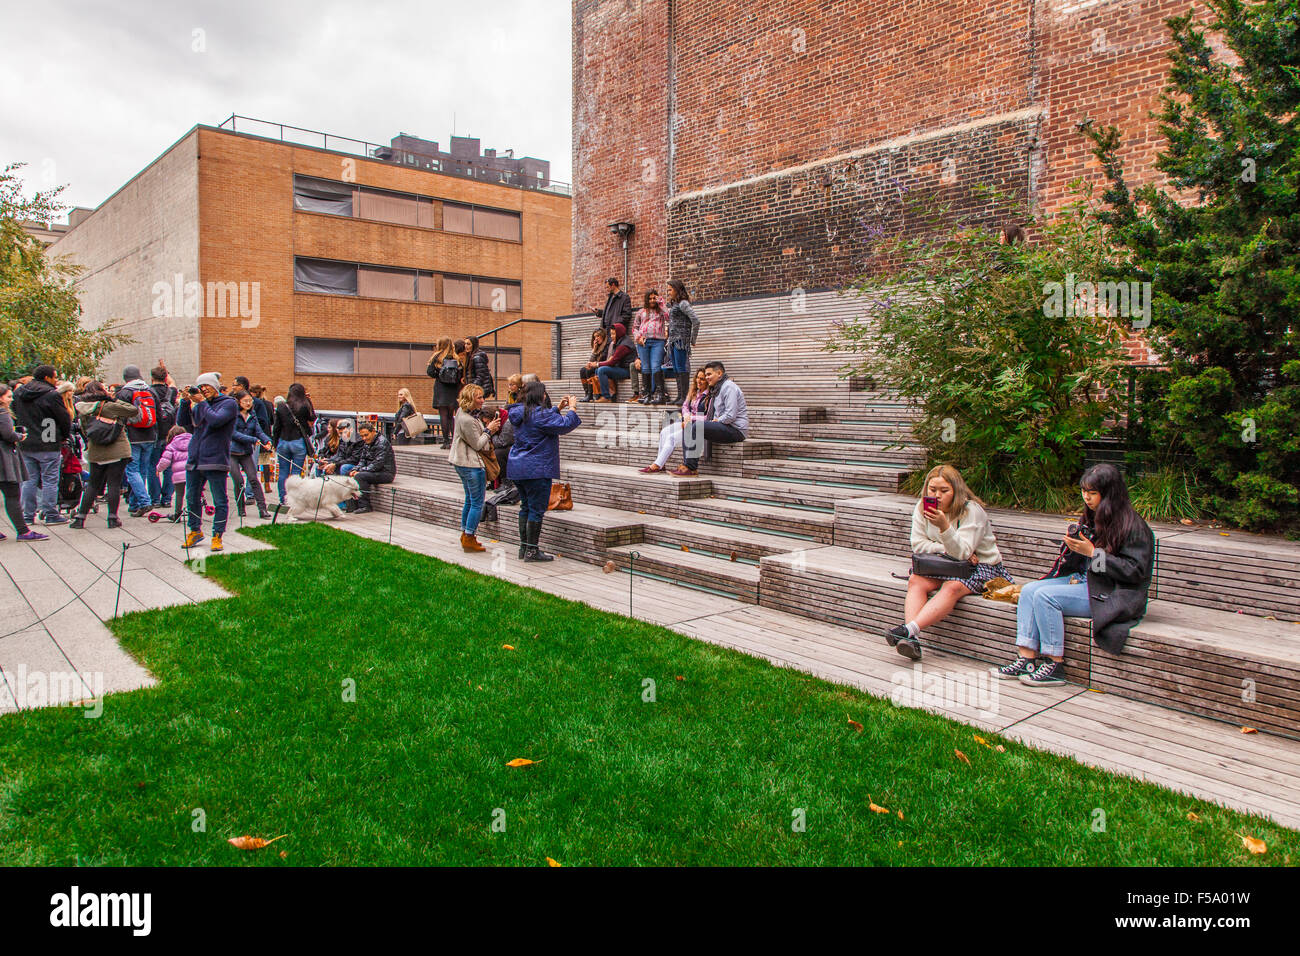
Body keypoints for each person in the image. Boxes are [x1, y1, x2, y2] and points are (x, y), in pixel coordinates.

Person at [991, 463, 1155, 687]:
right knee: (1029, 590)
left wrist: (1092, 553)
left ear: (1109, 494)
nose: (1086, 498)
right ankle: (1026, 659)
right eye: (1084, 491)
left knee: (1045, 597)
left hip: (1113, 593)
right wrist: (1074, 547)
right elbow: (1081, 562)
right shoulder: (1093, 517)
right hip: (1086, 580)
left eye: (1093, 493)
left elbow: (1135, 572)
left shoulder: (1134, 526)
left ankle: (1054, 664)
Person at [885, 465, 1012, 661]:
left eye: (944, 491)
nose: (937, 496)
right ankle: (913, 640)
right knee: (916, 581)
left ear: (956, 491)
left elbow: (962, 553)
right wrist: (943, 548)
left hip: (982, 567)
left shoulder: (971, 511)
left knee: (952, 587)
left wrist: (944, 527)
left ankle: (908, 629)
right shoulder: (922, 508)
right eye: (932, 489)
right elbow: (918, 545)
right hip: (944, 562)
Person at [507, 381, 581, 562]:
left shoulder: (519, 412)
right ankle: (532, 551)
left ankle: (524, 548)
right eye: (544, 393)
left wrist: (557, 408)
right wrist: (572, 408)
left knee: (525, 507)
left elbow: (539, 420)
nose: (545, 396)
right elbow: (565, 425)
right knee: (536, 510)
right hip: (536, 469)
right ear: (539, 396)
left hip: (518, 467)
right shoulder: (539, 415)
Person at [178, 373, 238, 551]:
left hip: (215, 458)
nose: (203, 389)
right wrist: (185, 403)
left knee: (220, 499)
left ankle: (217, 535)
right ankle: (195, 530)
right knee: (191, 497)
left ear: (215, 386)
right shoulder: (200, 406)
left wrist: (202, 402)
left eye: (207, 386)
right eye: (201, 387)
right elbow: (184, 424)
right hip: (195, 458)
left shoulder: (228, 403)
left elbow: (216, 421)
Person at [70, 381, 139, 530]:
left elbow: (83, 429)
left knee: (93, 484)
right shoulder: (109, 406)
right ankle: (113, 518)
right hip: (117, 448)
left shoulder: (83, 408)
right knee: (113, 483)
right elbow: (133, 410)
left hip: (96, 449)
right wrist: (113, 398)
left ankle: (80, 518)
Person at [12, 364, 72, 527]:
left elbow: (14, 413)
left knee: (29, 479)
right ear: (47, 378)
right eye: (55, 377)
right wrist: (64, 436)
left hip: (26, 441)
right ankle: (50, 513)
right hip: (48, 440)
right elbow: (64, 418)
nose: (56, 380)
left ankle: (28, 515)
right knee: (49, 479)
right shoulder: (51, 395)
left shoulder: (19, 393)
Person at [449, 384, 501, 552]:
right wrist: (489, 430)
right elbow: (478, 444)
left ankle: (466, 534)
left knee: (470, 500)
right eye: (479, 397)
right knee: (477, 502)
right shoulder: (467, 419)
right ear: (470, 399)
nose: (482, 400)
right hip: (471, 464)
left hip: (463, 462)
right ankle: (469, 536)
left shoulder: (463, 414)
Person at [672, 361, 746, 477]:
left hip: (735, 430)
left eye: (709, 374)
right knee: (690, 424)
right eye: (706, 375)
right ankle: (687, 466)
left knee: (697, 426)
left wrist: (717, 420)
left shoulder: (729, 387)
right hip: (724, 426)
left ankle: (691, 468)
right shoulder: (717, 389)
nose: (707, 378)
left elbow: (731, 415)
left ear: (719, 373)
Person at [0, 384, 48, 541]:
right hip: (3, 459)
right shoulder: (2, 413)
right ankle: (23, 531)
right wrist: (19, 436)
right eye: (8, 396)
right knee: (12, 495)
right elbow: (7, 434)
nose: (11, 399)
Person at [113, 364, 163, 517]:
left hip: (132, 436)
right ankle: (134, 504)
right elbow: (159, 414)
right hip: (150, 435)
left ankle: (144, 501)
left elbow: (119, 416)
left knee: (132, 471)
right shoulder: (150, 390)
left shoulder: (124, 393)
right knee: (142, 471)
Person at [639, 369, 710, 474]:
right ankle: (661, 464)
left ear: (708, 381)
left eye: (702, 379)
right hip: (687, 422)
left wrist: (691, 418)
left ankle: (657, 465)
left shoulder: (709, 396)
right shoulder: (694, 391)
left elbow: (708, 416)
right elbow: (685, 406)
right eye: (697, 378)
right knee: (664, 432)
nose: (698, 381)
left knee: (671, 438)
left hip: (698, 427)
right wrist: (686, 416)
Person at [229, 388, 273, 520]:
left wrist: (267, 440)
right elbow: (234, 434)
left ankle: (263, 509)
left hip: (246, 452)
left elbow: (258, 431)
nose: (248, 403)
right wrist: (254, 440)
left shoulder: (252, 415)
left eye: (250, 401)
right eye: (245, 401)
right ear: (238, 402)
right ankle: (241, 508)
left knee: (253, 479)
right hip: (232, 452)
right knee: (238, 480)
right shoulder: (232, 415)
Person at [272, 383, 316, 505]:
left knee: (283, 472)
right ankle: (294, 500)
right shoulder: (303, 405)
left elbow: (276, 427)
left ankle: (283, 500)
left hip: (283, 441)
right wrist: (309, 401)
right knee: (296, 473)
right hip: (298, 441)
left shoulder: (281, 406)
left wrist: (275, 443)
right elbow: (313, 418)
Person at [145, 365, 178, 510]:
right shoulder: (172, 392)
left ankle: (155, 498)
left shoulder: (148, 392)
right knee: (169, 466)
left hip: (154, 433)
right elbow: (172, 383)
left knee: (153, 467)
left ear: (152, 378)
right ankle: (167, 498)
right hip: (169, 434)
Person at [632, 289, 671, 405]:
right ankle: (647, 394)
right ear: (646, 300)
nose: (652, 300)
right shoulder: (641, 312)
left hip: (658, 341)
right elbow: (635, 327)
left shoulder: (661, 312)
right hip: (643, 342)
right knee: (645, 368)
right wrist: (638, 337)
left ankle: (660, 394)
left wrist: (662, 304)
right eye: (650, 298)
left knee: (655, 366)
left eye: (655, 298)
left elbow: (669, 317)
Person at [666, 278, 701, 403]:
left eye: (670, 290)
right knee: (676, 368)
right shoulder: (675, 304)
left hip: (681, 340)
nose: (668, 292)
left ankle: (685, 397)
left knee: (681, 367)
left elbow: (696, 320)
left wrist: (692, 339)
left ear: (676, 289)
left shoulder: (683, 303)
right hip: (673, 341)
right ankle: (679, 396)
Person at [350, 420, 396, 514]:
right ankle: (351, 506)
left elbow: (377, 464)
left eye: (366, 435)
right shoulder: (367, 443)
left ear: (373, 432)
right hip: (373, 471)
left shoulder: (382, 443)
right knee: (349, 473)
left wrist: (360, 471)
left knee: (360, 476)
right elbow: (362, 460)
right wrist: (355, 469)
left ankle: (365, 506)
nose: (364, 438)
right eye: (362, 436)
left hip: (386, 473)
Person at [428, 336, 463, 449]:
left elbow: (429, 372)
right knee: (452, 415)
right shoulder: (456, 358)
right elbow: (460, 373)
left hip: (441, 388)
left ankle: (446, 441)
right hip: (453, 389)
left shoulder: (437, 357)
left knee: (443, 415)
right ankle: (454, 440)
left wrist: (439, 376)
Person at [593, 322, 636, 403]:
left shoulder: (623, 345)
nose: (611, 336)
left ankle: (606, 397)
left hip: (627, 371)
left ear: (619, 333)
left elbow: (612, 362)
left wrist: (597, 364)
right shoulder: (620, 341)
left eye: (613, 334)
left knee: (602, 370)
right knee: (597, 370)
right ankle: (599, 395)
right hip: (620, 367)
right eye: (611, 334)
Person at [155, 425, 190, 522]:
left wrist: (158, 469)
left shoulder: (171, 446)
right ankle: (193, 513)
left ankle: (177, 514)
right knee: (192, 494)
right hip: (191, 473)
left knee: (179, 494)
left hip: (178, 476)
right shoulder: (192, 442)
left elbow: (165, 461)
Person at [578, 329, 610, 402]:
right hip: (596, 365)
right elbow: (591, 360)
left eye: (598, 336)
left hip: (604, 365)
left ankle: (590, 394)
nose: (596, 338)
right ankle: (587, 394)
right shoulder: (597, 346)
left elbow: (605, 359)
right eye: (595, 337)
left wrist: (594, 364)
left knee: (589, 370)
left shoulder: (607, 346)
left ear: (603, 336)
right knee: (583, 370)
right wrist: (594, 350)